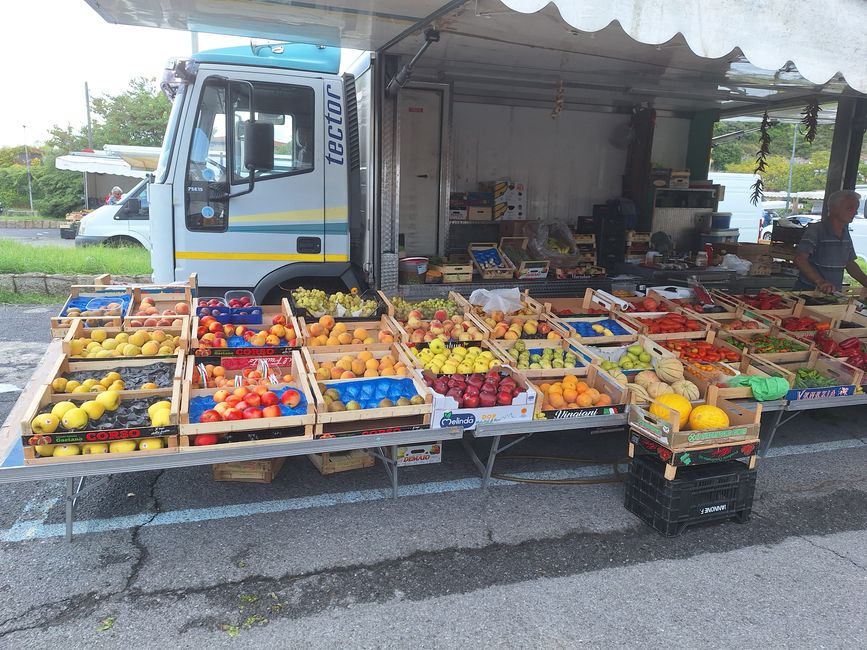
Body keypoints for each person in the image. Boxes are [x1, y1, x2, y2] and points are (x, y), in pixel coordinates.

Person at [794, 190, 867, 292]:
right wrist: (820, 282)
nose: (855, 212)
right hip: (809, 294)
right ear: (833, 208)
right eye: (849, 208)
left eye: (856, 209)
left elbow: (849, 263)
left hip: (832, 295)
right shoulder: (816, 230)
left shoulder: (845, 233)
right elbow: (800, 259)